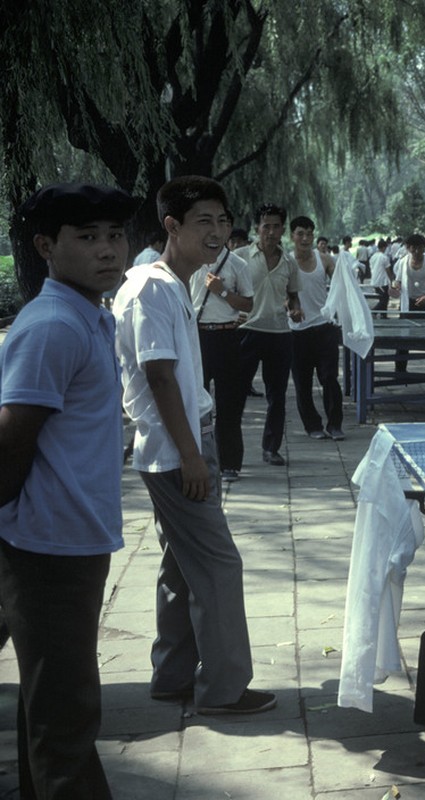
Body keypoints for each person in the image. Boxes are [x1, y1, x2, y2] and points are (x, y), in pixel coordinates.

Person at [113, 175, 275, 717]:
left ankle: (172, 674)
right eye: (203, 221)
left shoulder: (169, 283)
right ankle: (224, 690)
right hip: (174, 448)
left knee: (181, 565)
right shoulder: (154, 286)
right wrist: (189, 456)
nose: (217, 232)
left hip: (178, 442)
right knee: (219, 566)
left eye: (223, 220)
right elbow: (158, 376)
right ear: (172, 226)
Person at [0, 182, 138, 798]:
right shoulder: (55, 324)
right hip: (49, 545)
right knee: (66, 716)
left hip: (73, 537)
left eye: (114, 235)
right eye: (87, 238)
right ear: (47, 246)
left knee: (51, 705)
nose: (107, 250)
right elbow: (11, 440)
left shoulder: (90, 315)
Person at [234, 204, 304, 466]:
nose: (271, 232)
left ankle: (271, 448)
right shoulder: (239, 257)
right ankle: (230, 455)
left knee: (277, 396)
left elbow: (293, 296)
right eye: (266, 226)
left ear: (282, 230)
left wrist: (295, 310)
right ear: (257, 229)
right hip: (246, 332)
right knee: (236, 394)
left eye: (276, 227)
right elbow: (226, 291)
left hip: (279, 334)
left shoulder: (289, 262)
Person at [189, 219, 254, 480]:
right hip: (198, 337)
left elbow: (248, 304)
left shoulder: (238, 265)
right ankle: (197, 459)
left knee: (229, 405)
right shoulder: (191, 262)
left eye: (223, 225)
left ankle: (229, 463)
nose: (215, 232)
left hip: (227, 336)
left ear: (228, 231)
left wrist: (222, 292)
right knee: (195, 403)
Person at [288, 216, 345, 441]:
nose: (305, 238)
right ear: (292, 236)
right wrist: (291, 307)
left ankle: (335, 424)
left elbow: (343, 285)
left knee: (329, 378)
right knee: (302, 383)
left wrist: (340, 308)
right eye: (300, 233)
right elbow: (282, 291)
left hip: (324, 328)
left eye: (309, 234)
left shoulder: (325, 260)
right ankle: (312, 425)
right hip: (297, 331)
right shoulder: (286, 262)